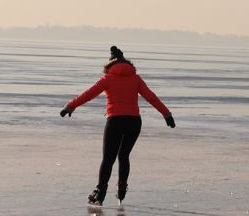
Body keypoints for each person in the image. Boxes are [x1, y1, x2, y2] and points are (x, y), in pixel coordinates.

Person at [60, 46, 175, 206]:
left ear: (110, 64)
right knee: (124, 156)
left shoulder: (107, 78)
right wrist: (166, 114)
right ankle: (122, 189)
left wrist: (70, 106)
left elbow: (89, 94)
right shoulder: (136, 79)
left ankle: (100, 193)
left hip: (115, 121)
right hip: (134, 122)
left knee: (108, 159)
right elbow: (151, 97)